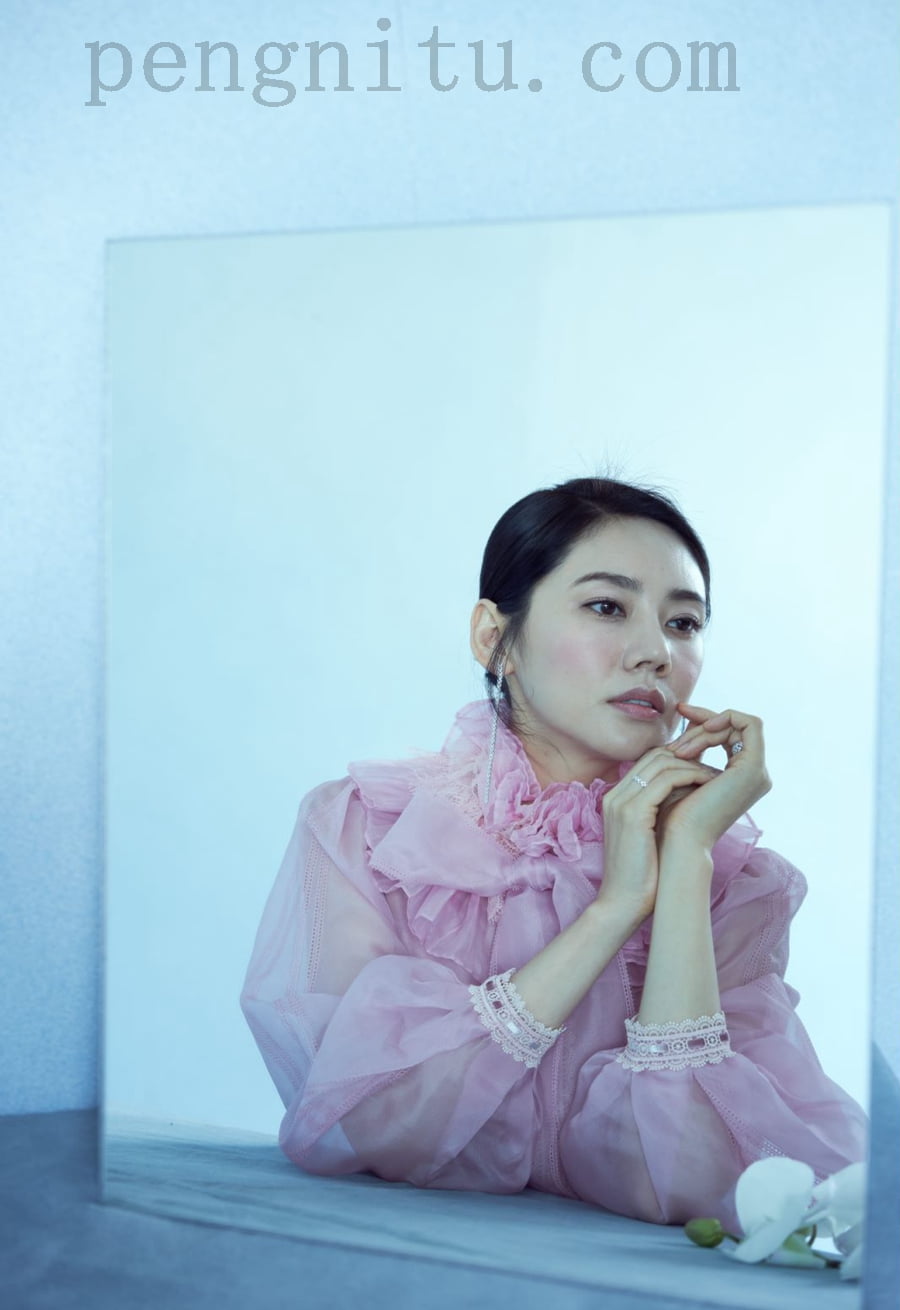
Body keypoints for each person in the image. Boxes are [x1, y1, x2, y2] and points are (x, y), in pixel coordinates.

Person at [240, 476, 868, 1230]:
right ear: (493, 638)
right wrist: (613, 908)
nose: (655, 653)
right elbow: (378, 1123)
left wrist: (683, 862)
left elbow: (681, 1181)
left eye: (684, 623)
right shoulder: (369, 827)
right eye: (607, 607)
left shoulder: (734, 881)